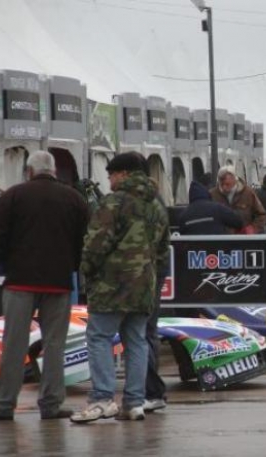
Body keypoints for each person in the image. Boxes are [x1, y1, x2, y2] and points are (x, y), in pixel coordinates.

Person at [0, 150, 89, 421]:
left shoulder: (13, 196)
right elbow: (85, 240)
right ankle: (52, 405)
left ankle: (5, 405)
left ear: (29, 171)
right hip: (60, 282)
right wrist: (71, 265)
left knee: (14, 344)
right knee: (55, 345)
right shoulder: (74, 199)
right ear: (53, 171)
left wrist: (8, 262)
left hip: (20, 282)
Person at [71, 152, 170, 423]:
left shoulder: (112, 203)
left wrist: (87, 272)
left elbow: (95, 245)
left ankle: (102, 399)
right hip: (144, 286)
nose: (109, 179)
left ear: (123, 174)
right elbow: (163, 250)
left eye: (111, 174)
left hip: (111, 285)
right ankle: (134, 402)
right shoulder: (157, 205)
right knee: (136, 341)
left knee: (99, 337)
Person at [210, 165, 266, 234]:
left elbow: (261, 214)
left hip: (243, 239)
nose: (224, 187)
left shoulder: (248, 193)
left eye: (227, 184)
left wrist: (253, 228)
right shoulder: (212, 194)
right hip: (221, 239)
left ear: (235, 180)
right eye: (222, 184)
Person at [176, 180, 244, 235]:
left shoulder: (183, 215)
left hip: (193, 250)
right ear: (205, 193)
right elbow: (238, 221)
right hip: (218, 249)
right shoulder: (216, 208)